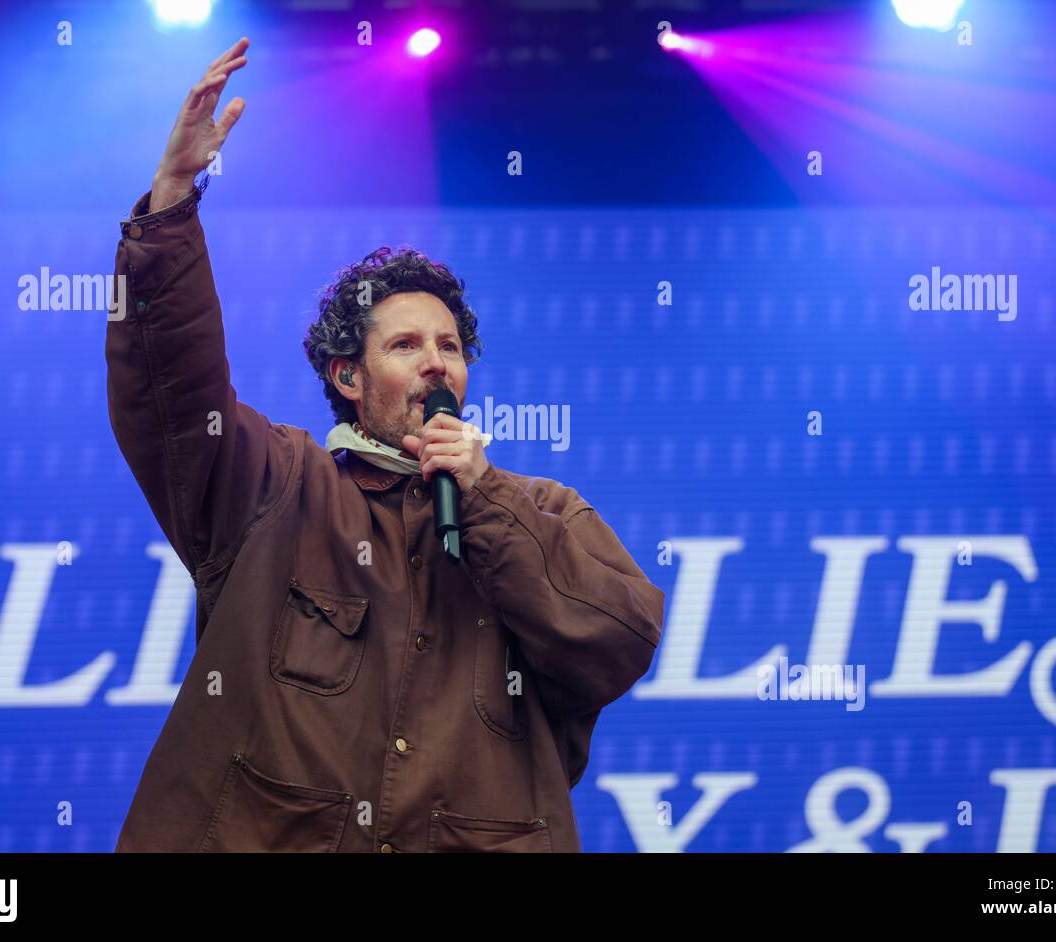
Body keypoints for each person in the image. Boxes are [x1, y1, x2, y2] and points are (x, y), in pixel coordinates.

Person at [107, 37, 665, 852]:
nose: (436, 360)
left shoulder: (544, 512)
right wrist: (171, 200)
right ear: (348, 376)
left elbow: (617, 641)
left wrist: (486, 502)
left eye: (450, 346)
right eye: (406, 345)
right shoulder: (277, 485)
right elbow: (171, 392)